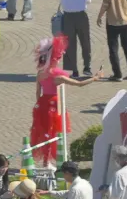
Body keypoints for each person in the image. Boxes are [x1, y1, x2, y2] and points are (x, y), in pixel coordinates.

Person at [32, 34, 93, 167]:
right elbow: (79, 83)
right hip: (54, 104)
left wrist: (39, 103)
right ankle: (47, 161)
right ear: (55, 58)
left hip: (42, 104)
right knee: (53, 132)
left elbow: (38, 92)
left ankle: (46, 160)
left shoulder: (40, 73)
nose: (60, 59)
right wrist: (95, 78)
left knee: (43, 131)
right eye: (59, 57)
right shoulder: (58, 76)